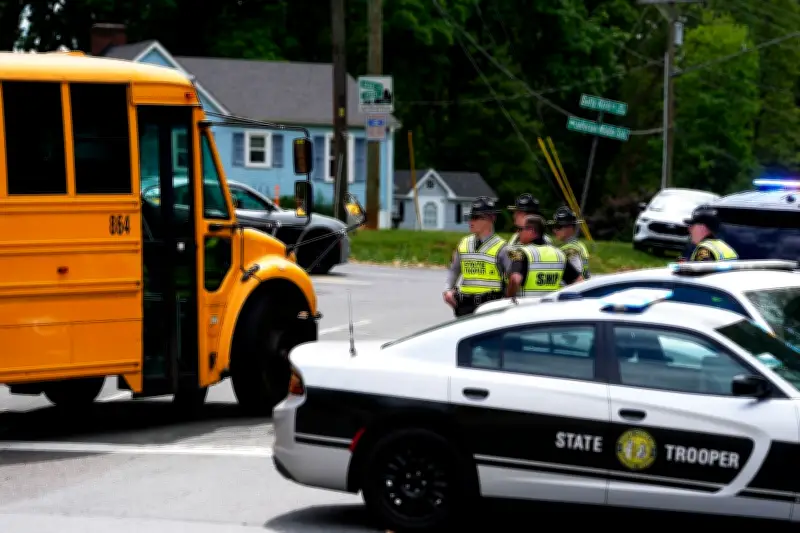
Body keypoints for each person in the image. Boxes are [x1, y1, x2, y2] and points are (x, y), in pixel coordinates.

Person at [444, 197, 512, 316]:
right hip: (465, 304)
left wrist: (508, 299)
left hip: (491, 304)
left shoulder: (503, 247)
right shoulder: (463, 243)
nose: (471, 222)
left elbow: (512, 276)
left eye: (476, 218)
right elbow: (454, 269)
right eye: (470, 217)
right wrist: (447, 290)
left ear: (491, 219)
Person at [507, 215, 583, 298]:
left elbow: (515, 279)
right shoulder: (559, 254)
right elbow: (579, 281)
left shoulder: (521, 253)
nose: (518, 232)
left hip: (526, 304)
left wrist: (508, 298)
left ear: (531, 231)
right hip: (550, 304)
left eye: (520, 229)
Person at [550, 206, 591, 279]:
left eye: (558, 227)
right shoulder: (579, 245)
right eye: (554, 226)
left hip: (575, 285)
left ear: (570, 228)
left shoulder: (570, 249)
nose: (554, 230)